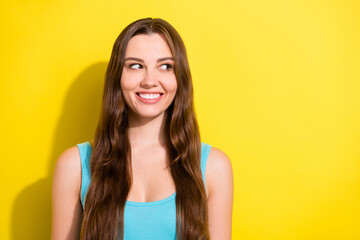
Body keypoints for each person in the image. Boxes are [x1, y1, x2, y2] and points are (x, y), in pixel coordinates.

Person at [52, 17, 233, 240]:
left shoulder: (214, 167)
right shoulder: (74, 166)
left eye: (165, 66)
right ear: (118, 75)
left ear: (179, 78)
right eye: (136, 66)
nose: (150, 80)